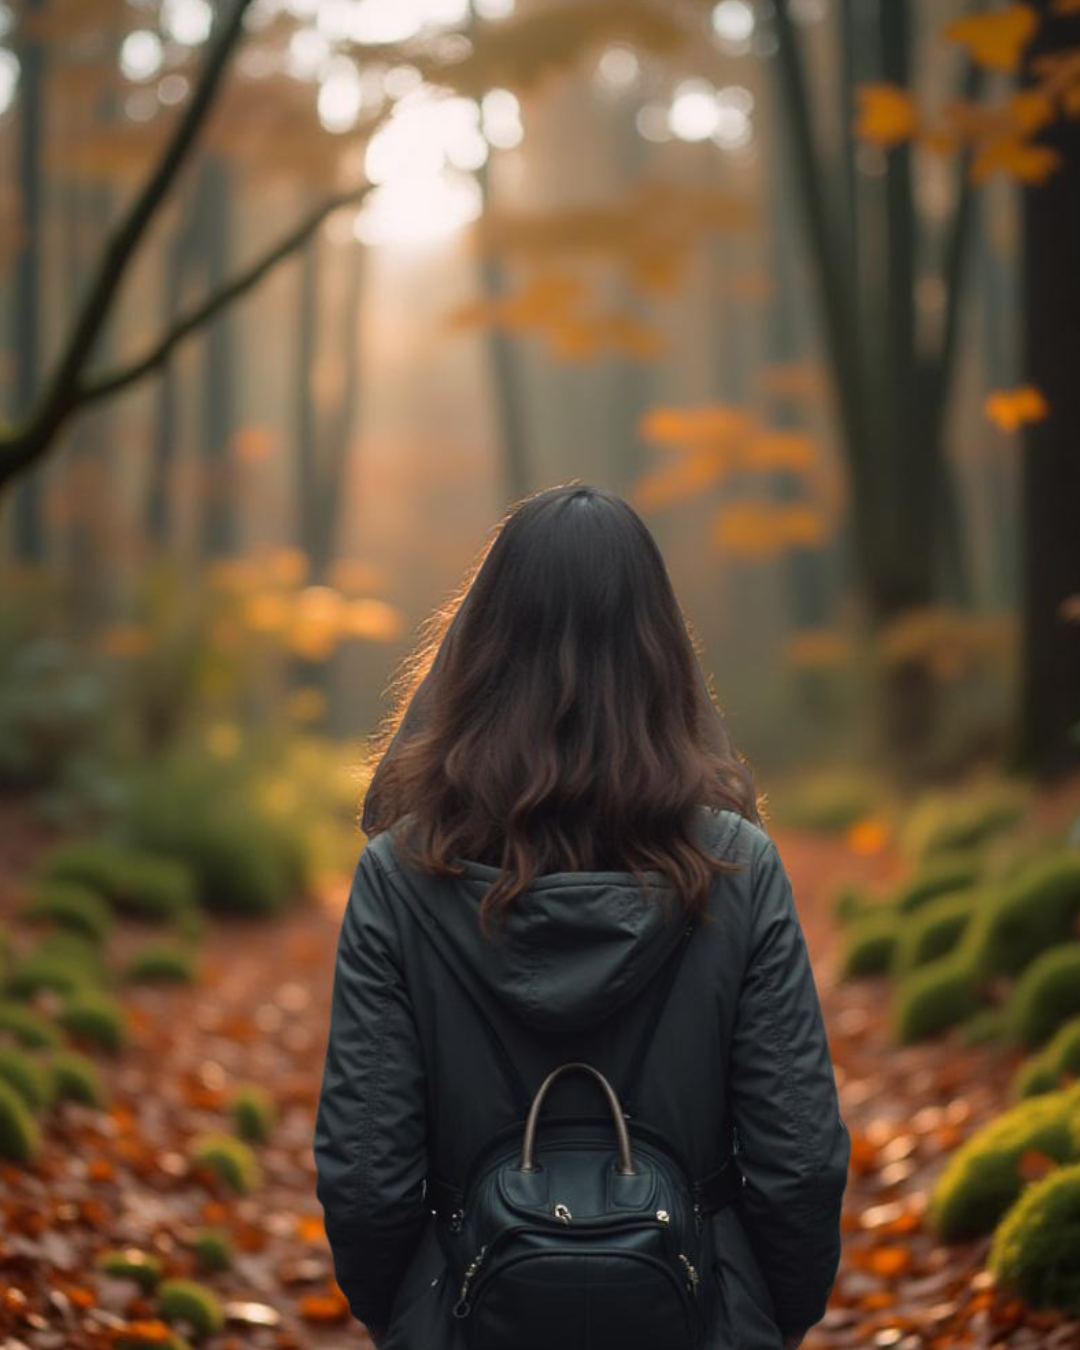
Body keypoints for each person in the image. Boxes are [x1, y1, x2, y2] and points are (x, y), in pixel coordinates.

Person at [314, 483, 850, 1350]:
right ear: (662, 655)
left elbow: (366, 1175)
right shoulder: (737, 866)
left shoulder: (399, 878)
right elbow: (802, 1160)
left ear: (478, 653)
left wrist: (410, 1313)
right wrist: (763, 1315)